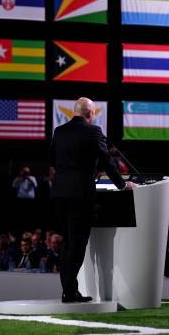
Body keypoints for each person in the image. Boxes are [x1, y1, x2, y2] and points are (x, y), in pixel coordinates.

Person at [49, 97, 135, 303]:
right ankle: (69, 292)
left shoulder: (59, 131)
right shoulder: (94, 131)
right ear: (90, 113)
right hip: (80, 194)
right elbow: (107, 162)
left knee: (68, 242)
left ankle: (68, 290)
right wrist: (122, 184)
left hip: (60, 193)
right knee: (77, 243)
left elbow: (52, 159)